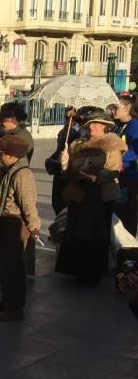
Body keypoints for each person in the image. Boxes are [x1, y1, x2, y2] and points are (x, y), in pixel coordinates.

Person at [56, 107, 126, 283]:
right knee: (76, 233)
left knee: (96, 235)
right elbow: (70, 171)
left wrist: (95, 177)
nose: (92, 127)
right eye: (89, 124)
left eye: (96, 124)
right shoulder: (77, 144)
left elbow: (113, 171)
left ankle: (93, 273)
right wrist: (65, 163)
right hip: (79, 195)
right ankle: (76, 270)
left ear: (104, 126)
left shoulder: (111, 144)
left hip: (100, 197)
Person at [0, 135, 41, 321]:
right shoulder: (9, 170)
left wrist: (34, 227)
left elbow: (28, 204)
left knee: (14, 268)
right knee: (5, 266)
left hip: (15, 223)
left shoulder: (22, 174)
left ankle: (15, 308)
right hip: (5, 221)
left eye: (2, 154)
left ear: (12, 156)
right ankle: (6, 301)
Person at [45, 106, 86, 215]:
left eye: (72, 117)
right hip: (59, 171)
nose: (68, 119)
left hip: (69, 171)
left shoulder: (80, 132)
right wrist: (51, 159)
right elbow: (58, 150)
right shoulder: (63, 131)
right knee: (56, 202)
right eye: (66, 117)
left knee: (65, 204)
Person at [112, 94, 138, 234]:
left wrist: (119, 156)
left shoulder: (134, 126)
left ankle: (129, 244)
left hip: (128, 176)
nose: (113, 111)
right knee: (117, 210)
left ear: (127, 108)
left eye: (116, 107)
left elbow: (135, 149)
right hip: (116, 175)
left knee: (126, 212)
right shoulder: (116, 126)